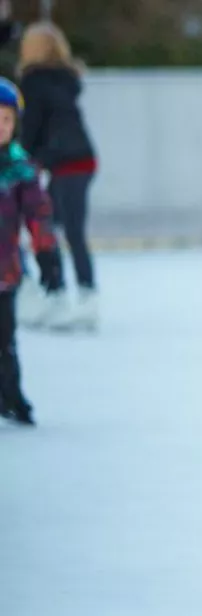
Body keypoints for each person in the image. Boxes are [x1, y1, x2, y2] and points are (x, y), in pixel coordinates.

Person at [17, 21, 98, 331]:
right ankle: (59, 292)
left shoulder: (35, 81)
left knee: (64, 230)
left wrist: (20, 159)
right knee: (53, 228)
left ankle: (78, 296)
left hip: (68, 163)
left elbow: (33, 126)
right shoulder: (65, 79)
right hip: (79, 160)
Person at [0, 76, 60, 425]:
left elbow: (38, 214)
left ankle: (11, 395)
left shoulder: (21, 169)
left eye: (7, 120)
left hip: (4, 273)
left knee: (5, 340)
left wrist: (46, 254)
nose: (1, 127)